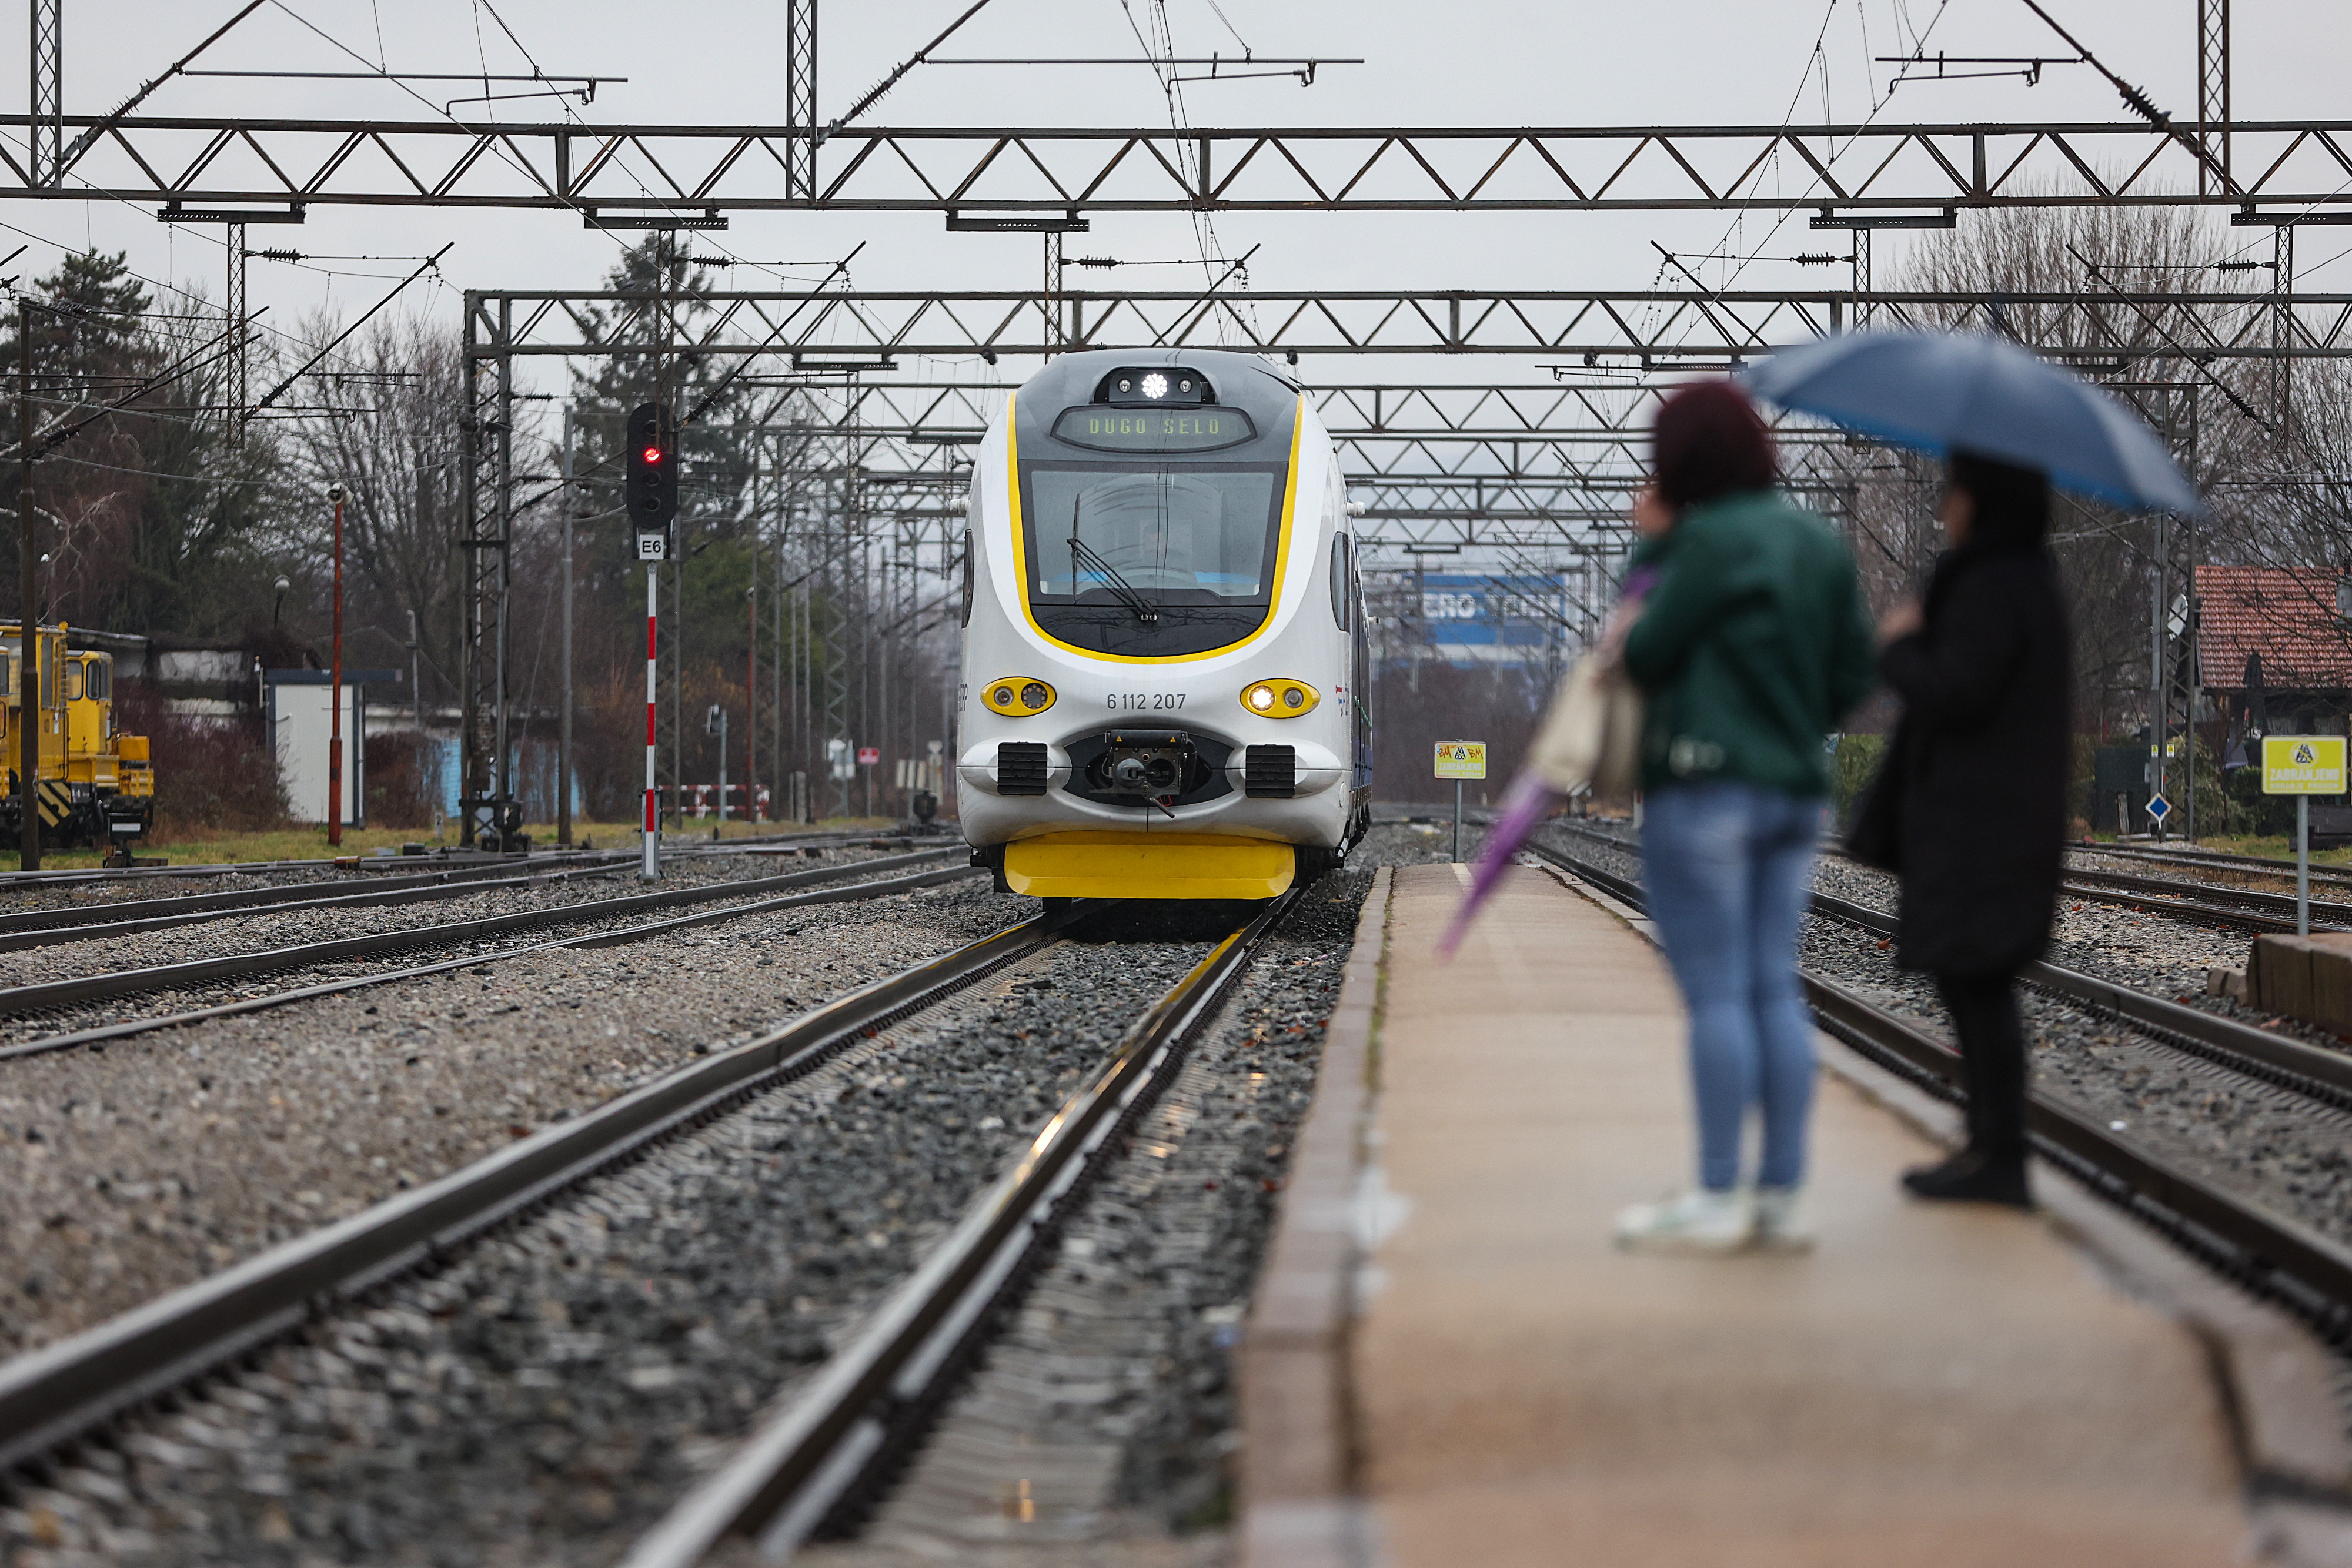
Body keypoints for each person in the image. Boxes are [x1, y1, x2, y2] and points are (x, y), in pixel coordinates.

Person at [1611, 382, 1879, 1255]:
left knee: (1718, 992)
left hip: (1700, 787)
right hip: (1794, 794)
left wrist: (1646, 552)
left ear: (1680, 461)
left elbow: (1642, 649)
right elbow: (1851, 678)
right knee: (1773, 984)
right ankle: (1784, 1195)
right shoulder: (1818, 546)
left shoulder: (1696, 544)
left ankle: (1720, 1193)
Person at [1863, 451, 2070, 1208]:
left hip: (1983, 824)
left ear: (1981, 500)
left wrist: (1900, 646)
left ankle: (2000, 1155)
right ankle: (1987, 1145)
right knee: (1970, 982)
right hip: (1992, 819)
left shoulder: (1994, 583)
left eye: (1952, 492)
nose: (1943, 506)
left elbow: (1956, 690)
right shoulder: (2018, 578)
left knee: (1978, 985)